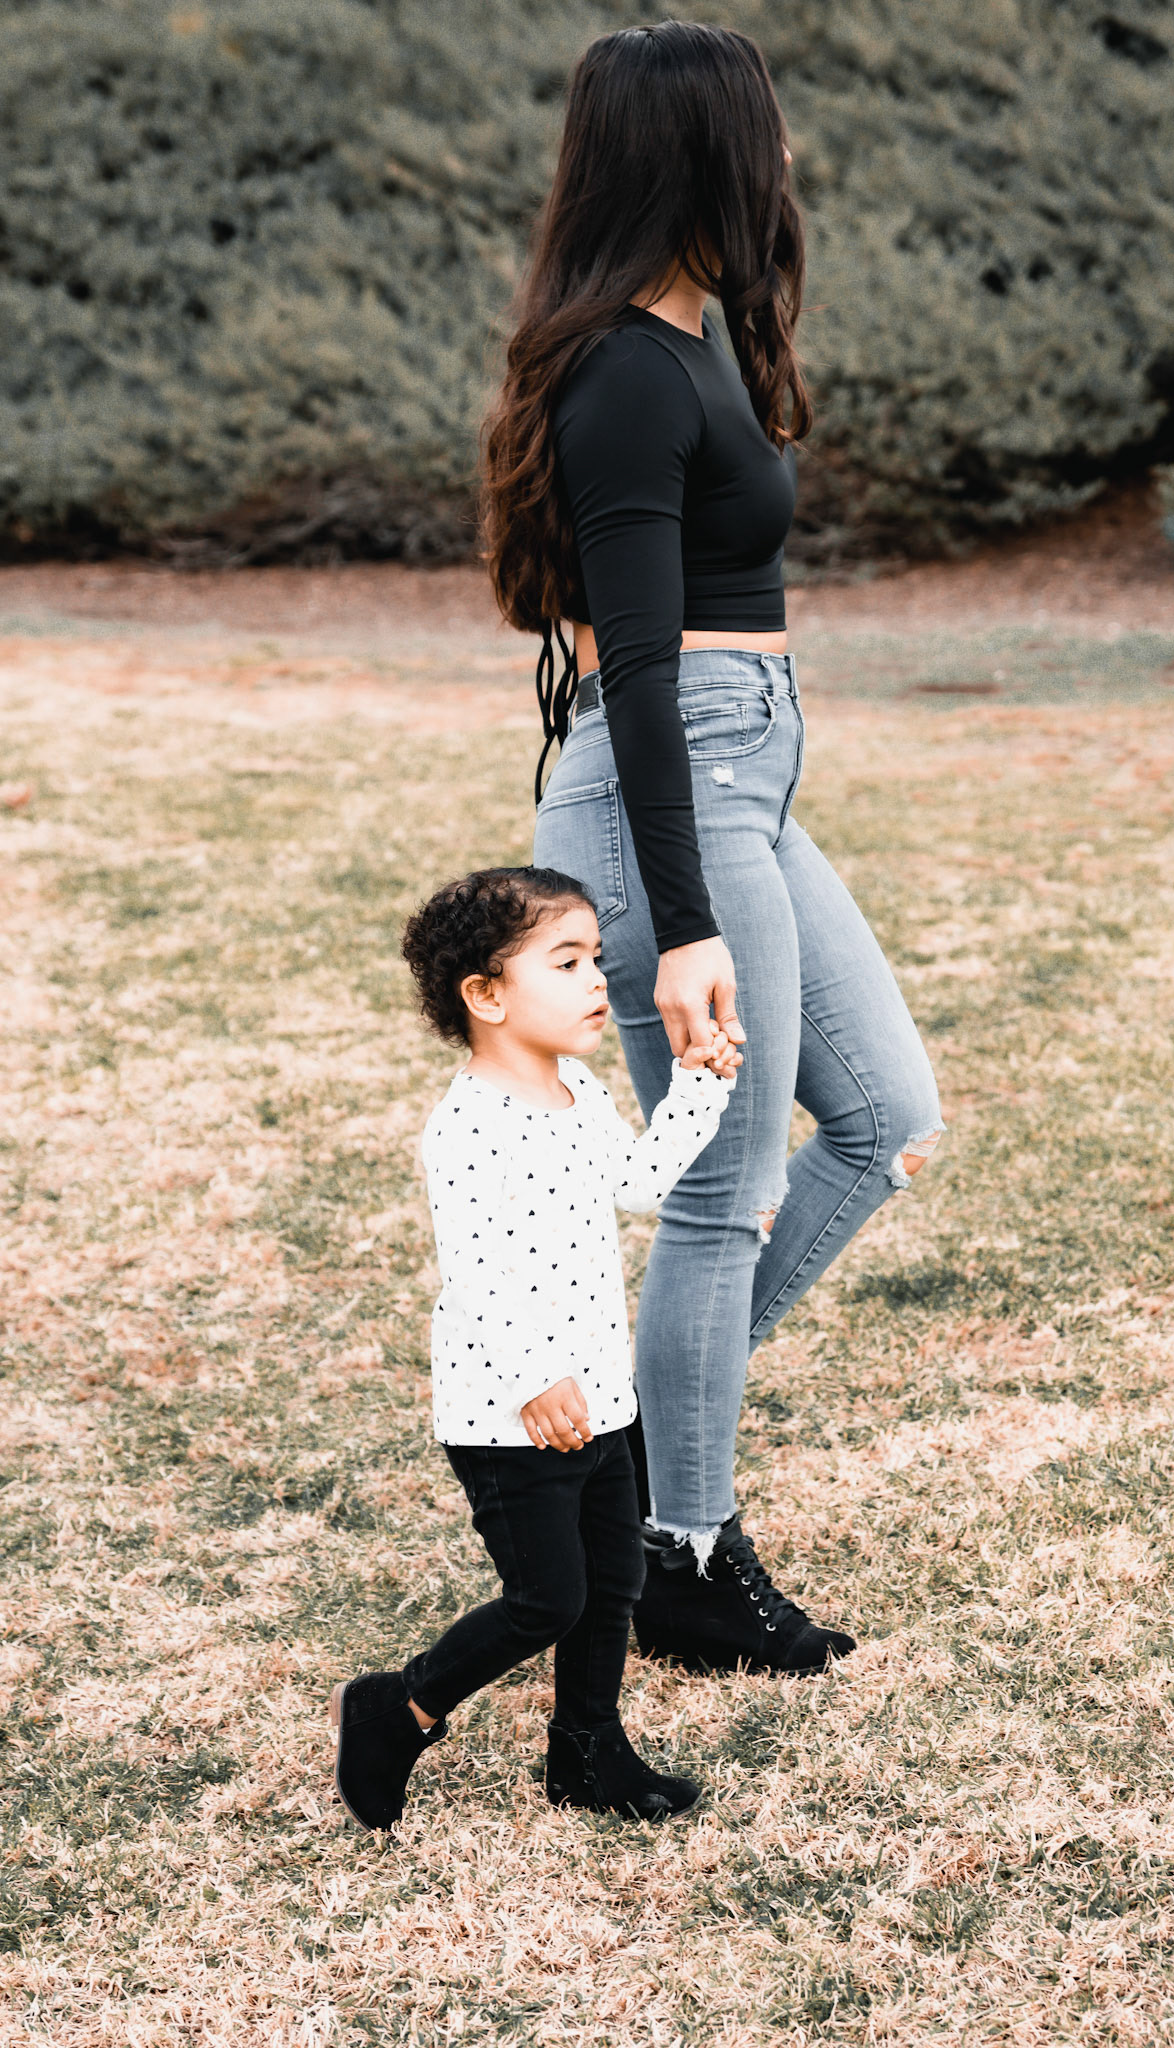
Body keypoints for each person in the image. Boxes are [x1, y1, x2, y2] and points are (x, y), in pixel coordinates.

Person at [481, 23, 944, 1677]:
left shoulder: (693, 342)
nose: (788, 159)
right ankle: (678, 1545)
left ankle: (618, 1457)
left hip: (738, 785)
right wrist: (679, 926)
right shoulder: (622, 371)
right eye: (767, 132)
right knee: (722, 1195)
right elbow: (635, 664)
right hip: (665, 795)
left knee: (883, 1118)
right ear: (696, 157)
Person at [329, 865, 737, 1832]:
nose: (598, 979)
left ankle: (587, 1750)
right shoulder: (468, 1127)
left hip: (597, 1395)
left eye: (596, 958)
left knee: (613, 1584)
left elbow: (637, 1183)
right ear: (486, 995)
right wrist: (531, 1378)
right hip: (509, 1413)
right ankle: (399, 1706)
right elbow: (477, 1273)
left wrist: (698, 1086)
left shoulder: (577, 1089)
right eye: (566, 962)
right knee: (547, 1598)